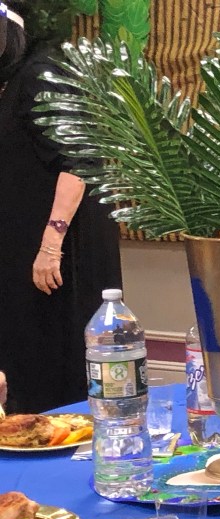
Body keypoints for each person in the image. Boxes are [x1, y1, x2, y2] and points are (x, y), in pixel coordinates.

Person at [0, 1, 122, 414]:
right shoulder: (19, 78)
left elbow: (79, 160)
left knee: (56, 377)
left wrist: (50, 246)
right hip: (30, 259)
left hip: (59, 259)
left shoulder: (43, 73)